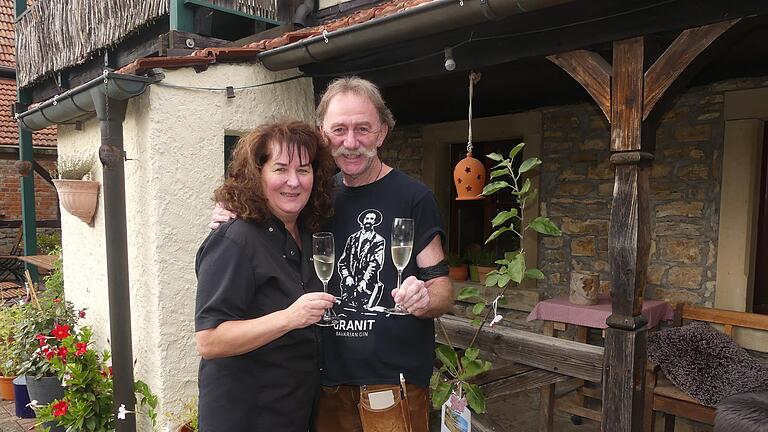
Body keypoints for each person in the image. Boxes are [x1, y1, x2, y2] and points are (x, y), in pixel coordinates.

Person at [210, 77, 454, 432]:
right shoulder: (314, 195)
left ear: (382, 133)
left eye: (363, 129)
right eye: (339, 129)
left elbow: (442, 287)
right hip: (324, 385)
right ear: (322, 134)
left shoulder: (413, 198)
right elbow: (267, 214)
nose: (350, 142)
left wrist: (424, 298)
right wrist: (229, 210)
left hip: (390, 384)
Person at [195, 120, 337, 431]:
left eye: (303, 170)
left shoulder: (307, 234)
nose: (293, 181)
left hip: (292, 413)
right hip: (246, 417)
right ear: (257, 173)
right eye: (280, 169)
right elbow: (210, 340)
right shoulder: (235, 239)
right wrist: (290, 317)